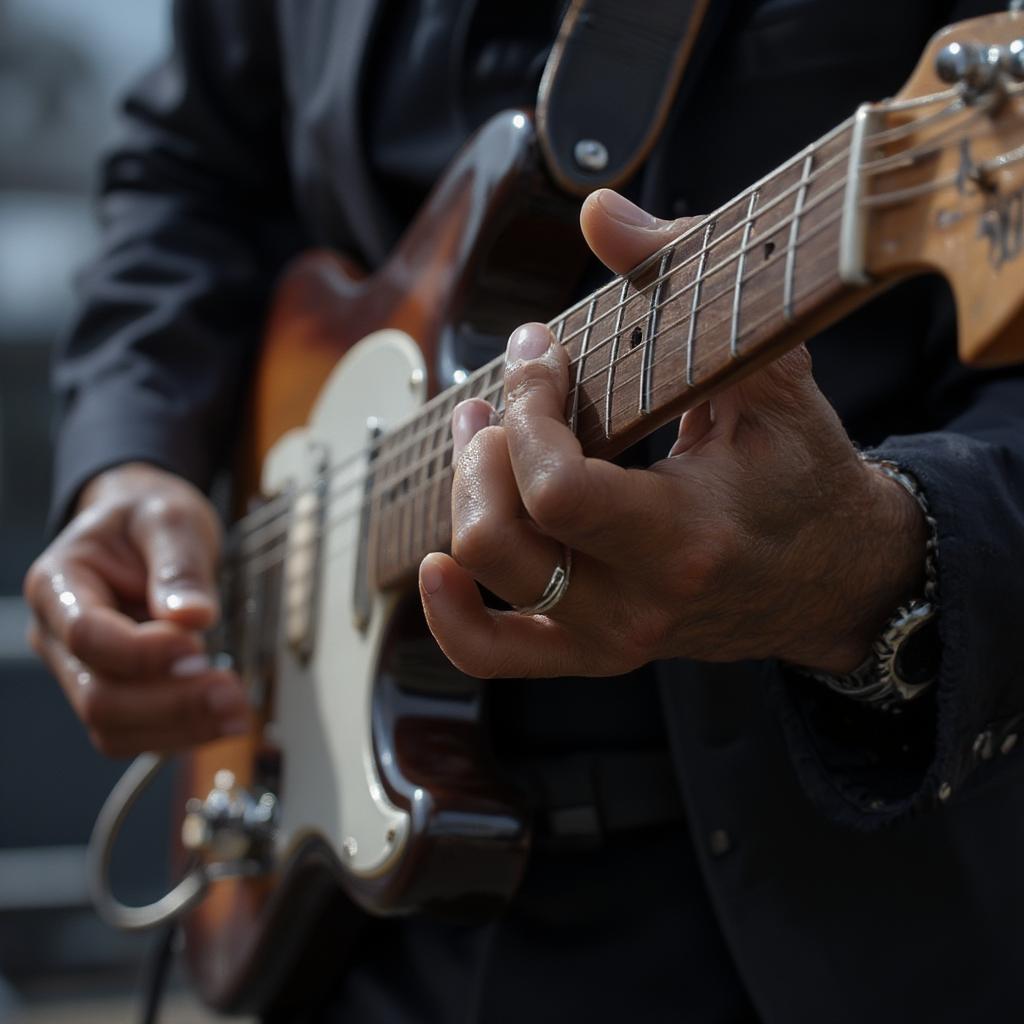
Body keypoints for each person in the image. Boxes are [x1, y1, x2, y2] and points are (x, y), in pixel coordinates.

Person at [24, 1, 1024, 1021]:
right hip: (348, 935)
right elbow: (191, 169)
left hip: (819, 922)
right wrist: (131, 458)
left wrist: (870, 561)